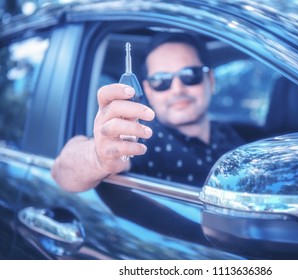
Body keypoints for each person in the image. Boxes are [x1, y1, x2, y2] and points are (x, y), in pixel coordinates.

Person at [51, 32, 244, 192]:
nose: (177, 89)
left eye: (189, 75)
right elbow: (62, 172)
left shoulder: (227, 133)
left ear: (210, 80)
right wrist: (97, 156)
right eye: (161, 80)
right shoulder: (142, 137)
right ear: (148, 91)